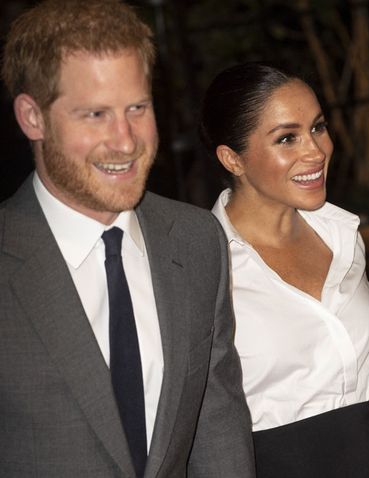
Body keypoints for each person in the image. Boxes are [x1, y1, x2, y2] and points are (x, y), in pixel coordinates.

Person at [0, 2, 255, 477]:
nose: (125, 140)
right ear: (32, 117)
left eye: (137, 108)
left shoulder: (199, 242)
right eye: (95, 114)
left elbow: (216, 427)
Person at [199, 62, 369, 477]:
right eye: (287, 137)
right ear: (233, 158)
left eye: (318, 127)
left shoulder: (343, 236)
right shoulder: (204, 267)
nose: (316, 151)